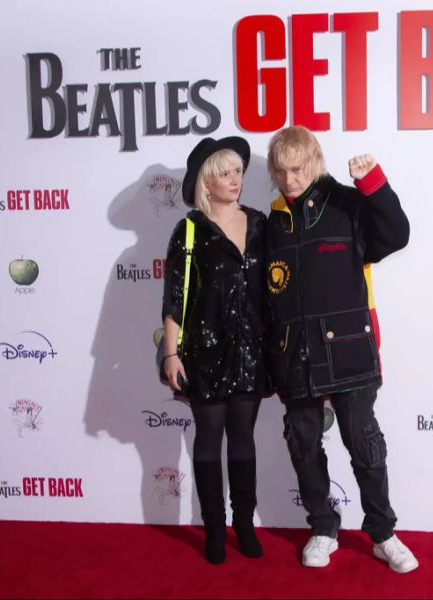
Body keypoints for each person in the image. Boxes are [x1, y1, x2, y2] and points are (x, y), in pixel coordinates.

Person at [263, 126, 418, 573]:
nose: (290, 179)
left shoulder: (347, 203)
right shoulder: (270, 223)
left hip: (349, 349)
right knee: (304, 446)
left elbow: (396, 234)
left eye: (298, 169)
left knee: (365, 445)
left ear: (314, 164)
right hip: (295, 355)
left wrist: (373, 184)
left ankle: (383, 534)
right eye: (282, 171)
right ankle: (323, 527)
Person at [160, 136, 269, 564]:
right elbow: (174, 297)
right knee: (208, 440)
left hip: (251, 352)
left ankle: (243, 523)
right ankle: (213, 529)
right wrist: (172, 354)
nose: (234, 179)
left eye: (238, 171)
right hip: (204, 354)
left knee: (243, 439)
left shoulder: (260, 223)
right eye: (224, 172)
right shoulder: (190, 230)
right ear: (206, 181)